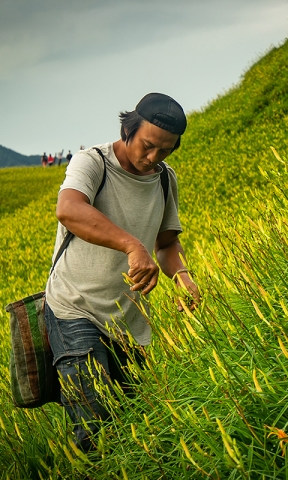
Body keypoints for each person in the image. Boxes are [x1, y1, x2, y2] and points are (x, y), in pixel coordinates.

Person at [44, 93, 200, 452]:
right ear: (127, 128)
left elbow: (166, 244)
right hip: (74, 309)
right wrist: (132, 245)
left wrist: (184, 278)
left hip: (129, 323)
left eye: (165, 151)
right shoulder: (92, 161)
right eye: (147, 146)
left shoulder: (164, 179)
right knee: (94, 427)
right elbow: (68, 209)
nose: (152, 158)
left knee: (137, 427)